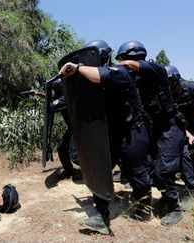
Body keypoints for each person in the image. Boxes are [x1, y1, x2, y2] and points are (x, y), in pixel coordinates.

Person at [60, 39, 152, 234]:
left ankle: (144, 207)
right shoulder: (89, 78)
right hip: (110, 132)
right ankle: (101, 215)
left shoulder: (121, 72)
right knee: (100, 169)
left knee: (137, 172)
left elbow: (101, 75)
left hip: (132, 132)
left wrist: (76, 67)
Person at [117, 41, 185, 226]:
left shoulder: (156, 69)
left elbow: (133, 65)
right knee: (141, 167)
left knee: (163, 170)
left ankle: (173, 207)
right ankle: (145, 204)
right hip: (150, 128)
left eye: (122, 59)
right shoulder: (134, 79)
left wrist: (115, 67)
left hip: (169, 127)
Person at [165, 65, 194, 210]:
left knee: (189, 153)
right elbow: (171, 117)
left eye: (169, 82)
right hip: (183, 129)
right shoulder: (165, 94)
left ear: (176, 80)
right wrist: (187, 134)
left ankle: (193, 187)